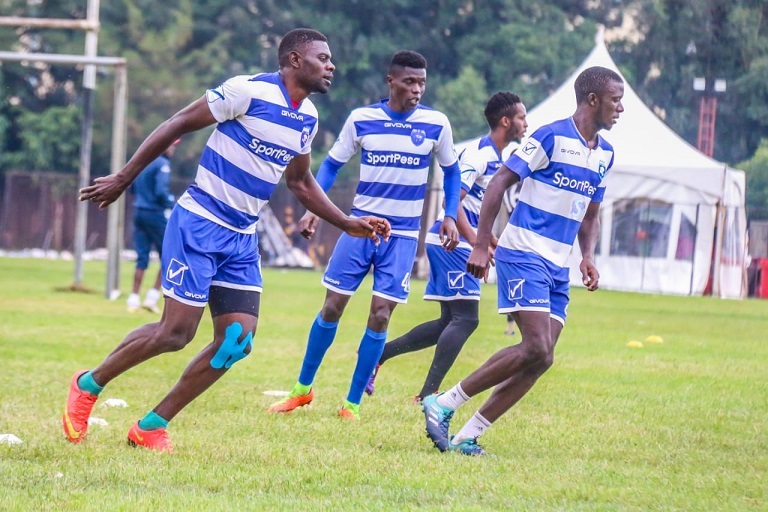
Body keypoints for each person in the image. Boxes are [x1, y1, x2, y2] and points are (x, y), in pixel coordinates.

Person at [63, 28, 391, 452]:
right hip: (199, 222)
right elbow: (177, 122)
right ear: (294, 59)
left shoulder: (307, 117)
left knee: (237, 342)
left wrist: (346, 222)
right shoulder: (247, 91)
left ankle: (150, 425)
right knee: (175, 333)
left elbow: (300, 180)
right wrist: (124, 177)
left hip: (240, 238)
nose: (331, 66)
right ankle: (88, 385)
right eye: (323, 58)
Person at [422, 66, 624, 456]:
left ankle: (467, 435)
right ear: (594, 100)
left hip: (557, 266)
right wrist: (481, 245)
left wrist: (588, 256)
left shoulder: (606, 155)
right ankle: (442, 402)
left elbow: (591, 214)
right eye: (615, 100)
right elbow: (498, 183)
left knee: (542, 358)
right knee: (534, 347)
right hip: (523, 253)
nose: (620, 109)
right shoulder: (550, 136)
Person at [268, 50, 462, 420]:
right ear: (391, 81)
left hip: (402, 237)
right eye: (409, 82)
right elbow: (330, 166)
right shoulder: (362, 119)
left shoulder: (437, 124)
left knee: (380, 315)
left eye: (422, 83)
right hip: (359, 228)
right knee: (332, 306)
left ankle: (351, 404)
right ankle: (302, 390)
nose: (417, 90)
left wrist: (449, 215)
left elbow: (452, 172)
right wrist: (314, 210)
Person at [365, 92, 528, 404]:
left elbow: (478, 207)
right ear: (505, 121)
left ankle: (377, 355)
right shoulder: (479, 154)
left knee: (448, 322)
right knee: (466, 320)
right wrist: (478, 242)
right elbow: (453, 202)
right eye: (521, 117)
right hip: (450, 240)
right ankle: (427, 395)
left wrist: (489, 239)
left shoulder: (501, 157)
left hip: (458, 241)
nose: (525, 122)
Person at [126, 139, 179, 314]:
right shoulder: (163, 164)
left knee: (142, 257)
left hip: (138, 211)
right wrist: (172, 203)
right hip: (155, 214)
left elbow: (131, 188)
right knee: (168, 256)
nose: (172, 148)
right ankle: (152, 297)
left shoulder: (144, 162)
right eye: (171, 145)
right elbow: (160, 192)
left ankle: (133, 300)